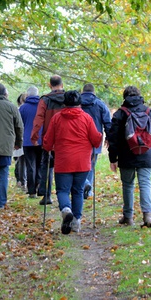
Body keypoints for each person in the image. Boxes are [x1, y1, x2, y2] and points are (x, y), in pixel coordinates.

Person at [43, 90, 102, 234]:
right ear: (79, 103)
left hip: (63, 161)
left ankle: (66, 209)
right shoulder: (86, 118)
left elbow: (47, 142)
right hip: (82, 162)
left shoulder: (57, 118)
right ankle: (76, 222)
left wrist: (47, 146)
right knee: (78, 191)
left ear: (65, 103)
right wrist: (99, 137)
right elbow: (95, 139)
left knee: (62, 190)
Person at [108, 86, 151, 228]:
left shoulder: (120, 114)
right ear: (140, 96)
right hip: (147, 154)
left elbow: (113, 139)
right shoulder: (150, 112)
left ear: (125, 97)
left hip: (126, 155)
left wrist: (113, 158)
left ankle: (128, 217)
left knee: (128, 185)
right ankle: (147, 216)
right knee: (145, 183)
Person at [31, 75, 66, 205]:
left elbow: (39, 118)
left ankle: (46, 195)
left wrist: (34, 137)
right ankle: (64, 193)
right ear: (62, 85)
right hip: (66, 139)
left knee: (46, 167)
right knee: (65, 166)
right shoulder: (68, 98)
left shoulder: (45, 100)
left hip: (49, 139)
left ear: (49, 85)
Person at [80, 83, 112, 199]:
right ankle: (88, 190)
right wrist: (108, 138)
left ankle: (83, 186)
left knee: (79, 165)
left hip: (78, 140)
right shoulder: (100, 104)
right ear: (94, 92)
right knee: (91, 166)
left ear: (82, 91)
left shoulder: (76, 103)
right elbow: (108, 123)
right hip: (95, 141)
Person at [19, 86, 42, 198]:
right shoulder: (42, 106)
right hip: (41, 140)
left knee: (30, 166)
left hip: (27, 141)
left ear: (27, 95)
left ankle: (31, 191)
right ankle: (38, 186)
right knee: (39, 164)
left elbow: (19, 125)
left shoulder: (23, 108)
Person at [13, 93, 26, 189]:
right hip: (32, 139)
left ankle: (21, 181)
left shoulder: (19, 110)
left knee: (21, 161)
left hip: (21, 138)